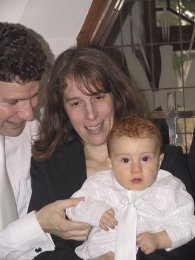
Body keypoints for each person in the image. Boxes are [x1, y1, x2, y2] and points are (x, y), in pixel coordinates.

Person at [28, 46, 195, 259]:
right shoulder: (47, 166)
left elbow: (187, 245)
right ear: (63, 109)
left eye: (98, 98)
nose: (91, 114)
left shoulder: (167, 161)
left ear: (116, 96)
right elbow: (40, 249)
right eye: (76, 103)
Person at [0, 22, 90, 259]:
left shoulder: (31, 132)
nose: (29, 114)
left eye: (33, 97)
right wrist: (37, 223)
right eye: (12, 103)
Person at [67, 116, 195, 260]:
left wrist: (159, 239)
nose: (136, 169)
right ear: (110, 163)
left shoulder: (169, 188)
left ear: (159, 161)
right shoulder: (99, 184)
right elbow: (72, 206)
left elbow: (188, 224)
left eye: (145, 159)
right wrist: (94, 211)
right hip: (99, 253)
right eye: (125, 160)